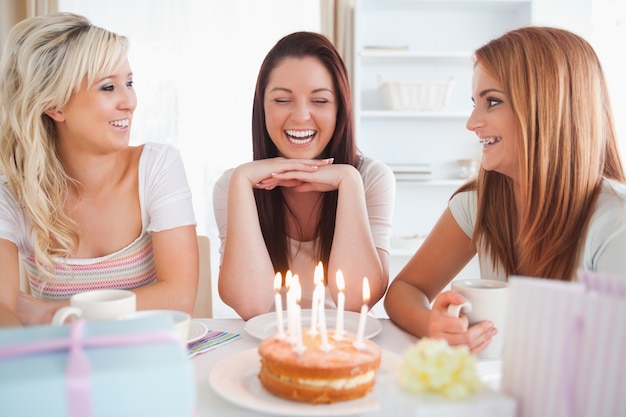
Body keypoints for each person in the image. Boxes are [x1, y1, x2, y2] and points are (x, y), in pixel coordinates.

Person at [385, 26, 626, 354]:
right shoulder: (479, 204)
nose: (472, 123)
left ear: (547, 107)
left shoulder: (615, 221)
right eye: (475, 103)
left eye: (492, 102)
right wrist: (434, 325)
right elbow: (405, 289)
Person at [0, 12, 199, 327]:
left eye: (129, 82)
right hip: (65, 369)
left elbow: (179, 297)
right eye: (108, 87)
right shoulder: (13, 195)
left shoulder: (157, 166)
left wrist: (53, 313)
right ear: (55, 105)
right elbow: (4, 312)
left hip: (145, 361)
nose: (129, 101)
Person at [213, 31, 395, 320]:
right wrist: (241, 180)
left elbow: (357, 302)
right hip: (267, 350)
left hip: (346, 351)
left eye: (320, 101)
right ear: (262, 107)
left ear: (340, 110)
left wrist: (348, 182)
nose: (300, 116)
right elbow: (251, 305)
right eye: (283, 100)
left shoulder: (370, 178)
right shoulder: (233, 186)